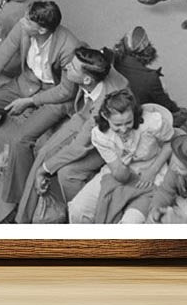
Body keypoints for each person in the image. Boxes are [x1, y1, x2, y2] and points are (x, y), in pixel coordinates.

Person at [0, 1, 82, 204]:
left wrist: (30, 101)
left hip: (54, 97)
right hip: (26, 83)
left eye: (27, 20)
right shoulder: (24, 27)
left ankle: (22, 202)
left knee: (19, 140)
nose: (22, 22)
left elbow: (66, 91)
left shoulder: (69, 47)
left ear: (41, 29)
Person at [13, 46, 129, 223]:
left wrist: (44, 170)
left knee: (57, 167)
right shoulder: (97, 68)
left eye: (73, 67)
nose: (66, 67)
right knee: (44, 152)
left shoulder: (103, 109)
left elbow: (79, 147)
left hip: (108, 139)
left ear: (87, 79)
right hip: (83, 114)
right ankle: (22, 217)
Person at [68, 90, 175, 224]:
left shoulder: (152, 122)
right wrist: (123, 166)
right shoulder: (100, 135)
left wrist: (152, 171)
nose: (124, 129)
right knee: (78, 210)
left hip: (152, 171)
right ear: (105, 116)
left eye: (128, 122)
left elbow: (171, 142)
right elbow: (120, 175)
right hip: (117, 172)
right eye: (117, 125)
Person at [111, 26, 187, 126]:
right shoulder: (150, 78)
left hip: (119, 110)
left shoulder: (115, 59)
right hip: (143, 117)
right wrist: (178, 110)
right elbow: (166, 105)